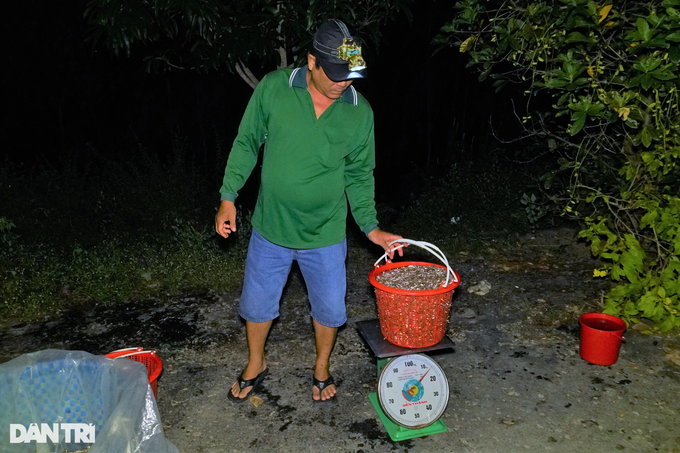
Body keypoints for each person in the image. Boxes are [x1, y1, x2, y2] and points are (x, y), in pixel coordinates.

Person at [215, 19, 404, 403]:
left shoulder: (359, 112)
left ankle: (321, 366)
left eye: (350, 75)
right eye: (335, 74)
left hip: (326, 232)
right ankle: (256, 362)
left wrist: (371, 227)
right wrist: (228, 196)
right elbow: (248, 142)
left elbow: (359, 174)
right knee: (256, 303)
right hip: (272, 227)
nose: (343, 83)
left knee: (330, 309)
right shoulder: (274, 88)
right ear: (312, 62)